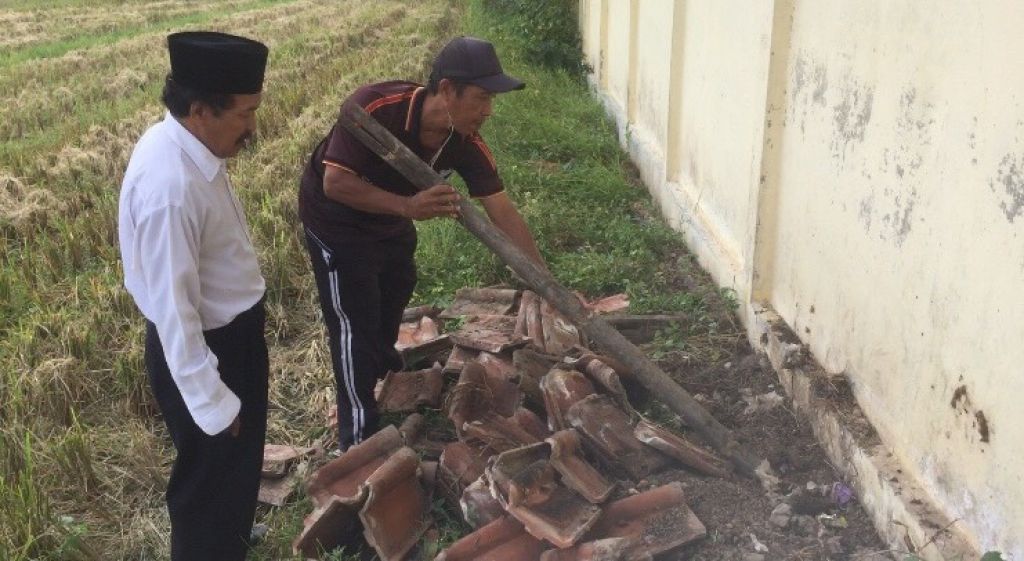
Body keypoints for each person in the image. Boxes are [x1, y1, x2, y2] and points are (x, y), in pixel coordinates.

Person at [299, 36, 546, 451]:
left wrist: (543, 280)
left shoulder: (463, 142)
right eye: (482, 98)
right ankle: (357, 436)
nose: (488, 111)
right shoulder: (375, 107)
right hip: (337, 217)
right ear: (447, 90)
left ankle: (380, 370)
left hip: (391, 216)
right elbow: (335, 182)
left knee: (398, 281)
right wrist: (408, 205)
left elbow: (502, 212)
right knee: (353, 319)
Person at [117, 31, 270, 561]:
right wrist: (210, 399)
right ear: (201, 109)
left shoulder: (188, 145)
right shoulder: (170, 189)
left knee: (238, 460)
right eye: (245, 113)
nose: (253, 126)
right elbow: (174, 315)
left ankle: (229, 539)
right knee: (206, 477)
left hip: (233, 336)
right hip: (205, 350)